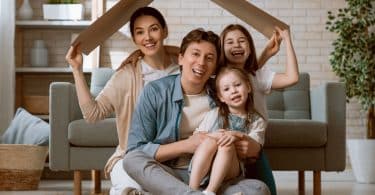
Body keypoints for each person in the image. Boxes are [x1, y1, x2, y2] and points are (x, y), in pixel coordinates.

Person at [124, 28, 270, 195]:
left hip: (214, 177)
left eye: (209, 58)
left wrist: (254, 148)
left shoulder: (223, 93)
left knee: (258, 189)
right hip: (169, 176)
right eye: (195, 54)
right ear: (180, 58)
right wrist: (187, 145)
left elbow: (245, 81)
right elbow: (137, 149)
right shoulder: (155, 92)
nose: (201, 63)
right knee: (132, 160)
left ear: (215, 67)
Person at [65, 7, 182, 195]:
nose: (148, 37)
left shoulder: (184, 69)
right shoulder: (127, 76)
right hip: (133, 156)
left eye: (153, 29)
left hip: (175, 159)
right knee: (128, 182)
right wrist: (77, 70)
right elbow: (92, 114)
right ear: (134, 39)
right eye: (140, 32)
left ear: (164, 31)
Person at [219, 24, 299, 195]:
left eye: (242, 41)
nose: (236, 45)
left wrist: (287, 41)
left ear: (249, 46)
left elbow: (292, 78)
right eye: (230, 42)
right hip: (226, 149)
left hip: (254, 150)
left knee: (268, 191)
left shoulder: (257, 75)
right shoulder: (218, 78)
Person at [189, 66, 267, 195]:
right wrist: (213, 136)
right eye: (226, 89)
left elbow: (254, 147)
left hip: (231, 169)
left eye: (237, 85)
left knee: (227, 146)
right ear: (221, 97)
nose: (233, 91)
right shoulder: (215, 114)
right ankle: (191, 190)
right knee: (209, 141)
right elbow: (197, 135)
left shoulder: (256, 120)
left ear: (248, 87)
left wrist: (236, 135)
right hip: (204, 166)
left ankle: (210, 192)